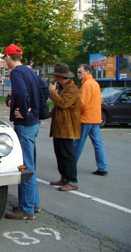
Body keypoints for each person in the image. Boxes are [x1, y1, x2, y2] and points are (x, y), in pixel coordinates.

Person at [3, 44, 42, 220]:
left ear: (8, 57)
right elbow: (45, 92)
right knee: (31, 164)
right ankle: (33, 203)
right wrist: (33, 111)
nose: (4, 61)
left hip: (25, 124)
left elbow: (22, 93)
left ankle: (26, 209)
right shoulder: (30, 72)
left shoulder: (16, 73)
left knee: (24, 165)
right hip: (34, 123)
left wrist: (24, 111)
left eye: (4, 57)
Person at [48, 63, 81, 191]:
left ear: (59, 76)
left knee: (67, 155)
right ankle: (64, 178)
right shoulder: (63, 87)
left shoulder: (72, 89)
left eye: (55, 75)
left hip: (68, 128)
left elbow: (63, 103)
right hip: (60, 128)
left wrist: (52, 92)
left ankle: (72, 181)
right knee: (60, 154)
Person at [74, 64, 108, 176]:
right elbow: (99, 100)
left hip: (85, 118)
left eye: (80, 72)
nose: (78, 74)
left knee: (78, 143)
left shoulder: (86, 84)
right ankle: (103, 167)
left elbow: (82, 103)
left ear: (87, 72)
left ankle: (71, 165)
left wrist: (76, 110)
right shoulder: (95, 83)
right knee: (98, 143)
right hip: (95, 117)